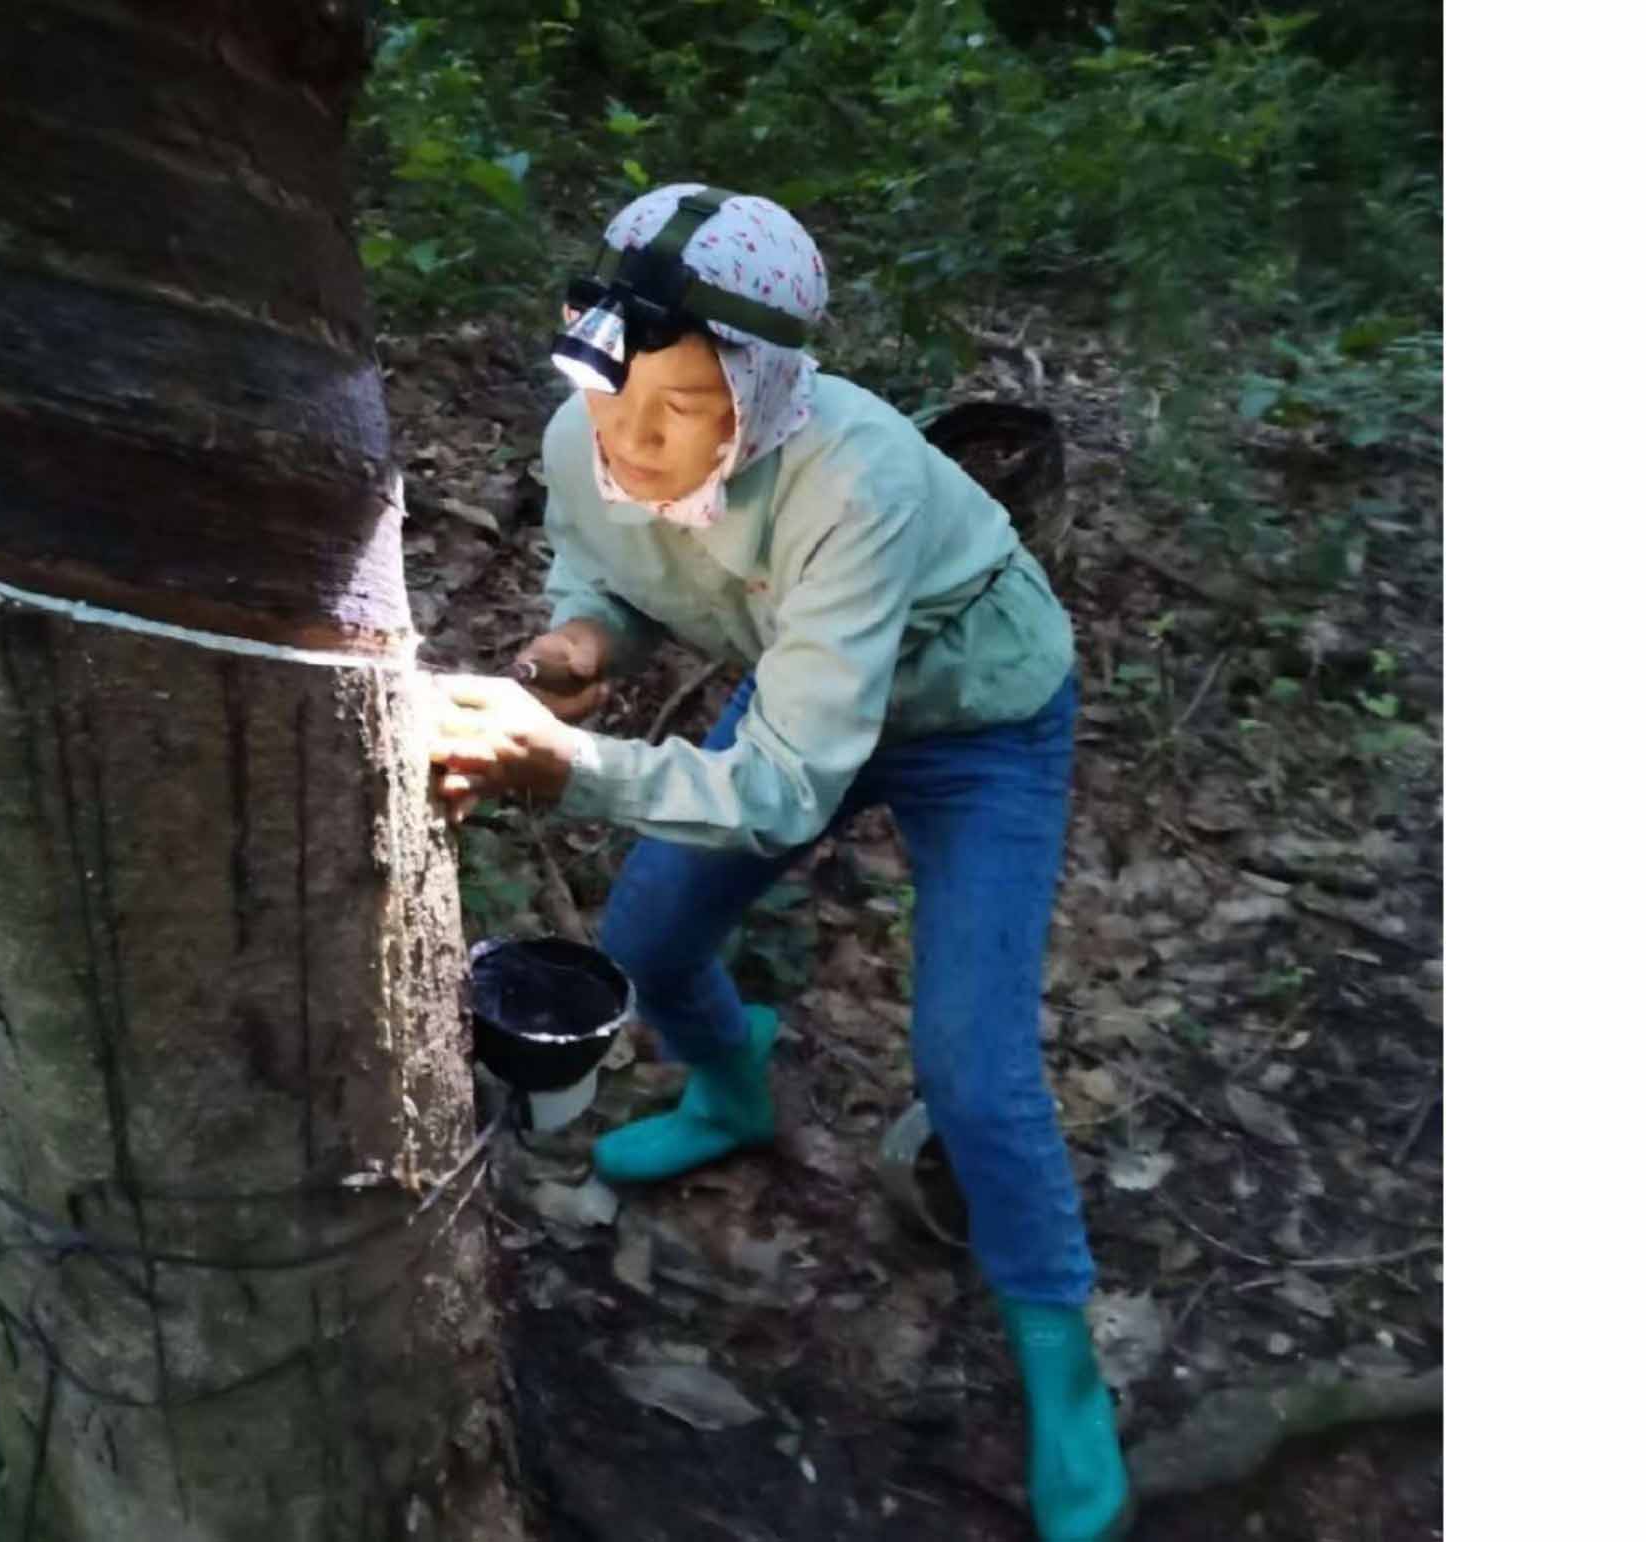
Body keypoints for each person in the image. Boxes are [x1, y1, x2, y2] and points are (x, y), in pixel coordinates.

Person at [427, 184, 1130, 1541]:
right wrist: (579, 644)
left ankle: (1061, 1363)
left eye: (683, 408)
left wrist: (566, 766)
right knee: (644, 940)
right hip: (806, 680)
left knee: (971, 1067)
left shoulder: (849, 479)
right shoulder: (586, 434)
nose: (633, 439)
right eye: (612, 392)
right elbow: (607, 566)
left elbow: (786, 785)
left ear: (757, 392)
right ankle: (732, 1089)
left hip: (977, 719)